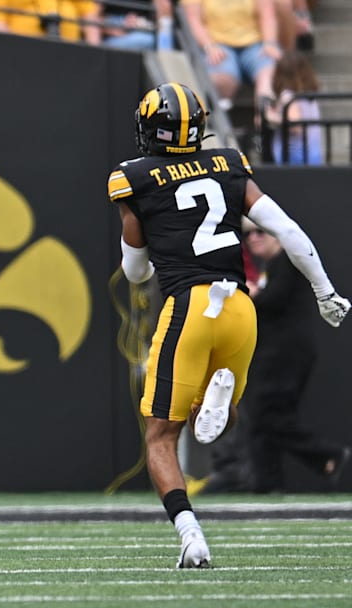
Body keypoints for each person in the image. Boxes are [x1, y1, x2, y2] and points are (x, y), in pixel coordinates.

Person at [108, 82, 348, 567]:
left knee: (160, 436)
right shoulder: (229, 164)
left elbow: (134, 272)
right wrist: (326, 292)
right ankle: (214, 394)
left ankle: (190, 534)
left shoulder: (133, 178)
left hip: (189, 307)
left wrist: (152, 263)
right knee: (216, 421)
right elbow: (288, 231)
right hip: (240, 306)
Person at [241, 218, 351, 493]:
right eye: (248, 233)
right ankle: (268, 484)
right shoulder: (270, 267)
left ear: (276, 234)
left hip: (286, 353)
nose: (253, 237)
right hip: (275, 352)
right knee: (264, 417)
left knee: (267, 417)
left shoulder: (288, 261)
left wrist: (252, 294)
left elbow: (273, 300)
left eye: (259, 231)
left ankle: (327, 455)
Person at [181, 0, 281, 110]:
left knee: (268, 79)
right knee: (222, 81)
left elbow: (267, 15)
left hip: (255, 44)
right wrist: (209, 45)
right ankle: (221, 121)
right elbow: (193, 20)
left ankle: (265, 118)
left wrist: (270, 42)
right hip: (217, 45)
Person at [264, 51, 323, 166]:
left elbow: (296, 125)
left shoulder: (288, 96)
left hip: (294, 157)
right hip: (313, 154)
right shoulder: (310, 96)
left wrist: (271, 116)